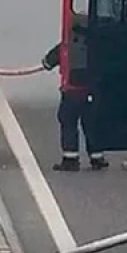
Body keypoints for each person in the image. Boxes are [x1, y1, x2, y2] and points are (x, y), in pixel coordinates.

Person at [42, 43, 108, 171]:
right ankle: (97, 157)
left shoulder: (68, 44)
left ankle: (70, 158)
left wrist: (48, 61)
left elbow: (48, 62)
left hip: (72, 91)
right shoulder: (99, 43)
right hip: (92, 91)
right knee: (91, 123)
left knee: (68, 121)